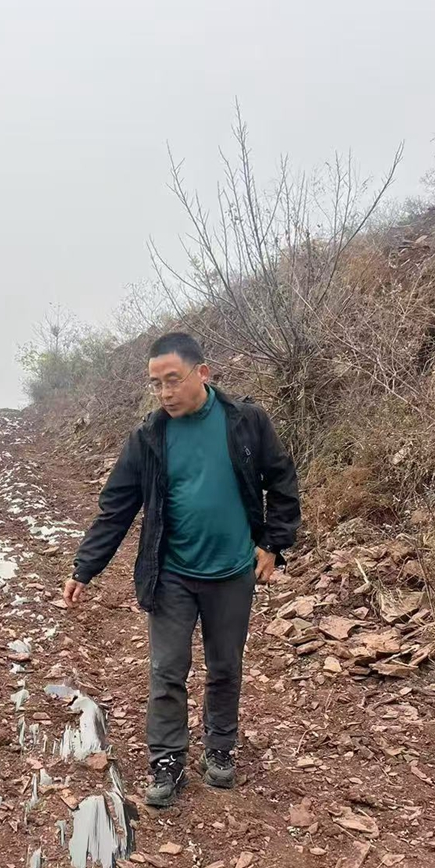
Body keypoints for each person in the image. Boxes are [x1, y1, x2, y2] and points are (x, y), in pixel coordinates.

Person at [63, 331, 300, 808]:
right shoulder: (149, 436)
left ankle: (220, 747)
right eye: (156, 384)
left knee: (225, 666)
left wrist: (274, 544)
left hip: (233, 571)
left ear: (203, 374)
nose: (165, 392)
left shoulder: (245, 422)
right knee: (167, 670)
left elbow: (281, 478)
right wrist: (84, 568)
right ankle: (167, 760)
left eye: (173, 380)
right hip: (170, 572)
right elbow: (116, 509)